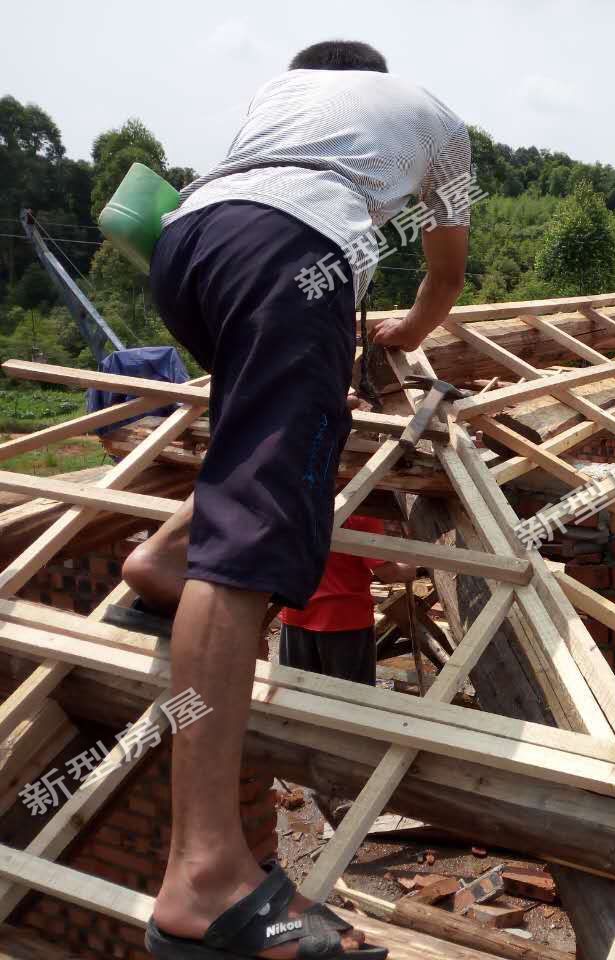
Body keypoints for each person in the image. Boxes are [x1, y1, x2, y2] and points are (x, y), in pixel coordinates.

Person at [121, 39, 470, 960]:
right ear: (382, 75)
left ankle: (158, 563)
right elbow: (445, 272)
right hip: (292, 250)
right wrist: (407, 331)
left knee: (262, 452)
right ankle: (203, 874)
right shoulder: (438, 122)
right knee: (256, 537)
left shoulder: (277, 96)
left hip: (187, 251)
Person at [278, 514, 415, 687]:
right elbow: (388, 573)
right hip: (345, 621)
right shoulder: (361, 514)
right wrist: (410, 568)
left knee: (297, 696)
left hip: (296, 612)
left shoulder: (296, 502)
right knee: (350, 701)